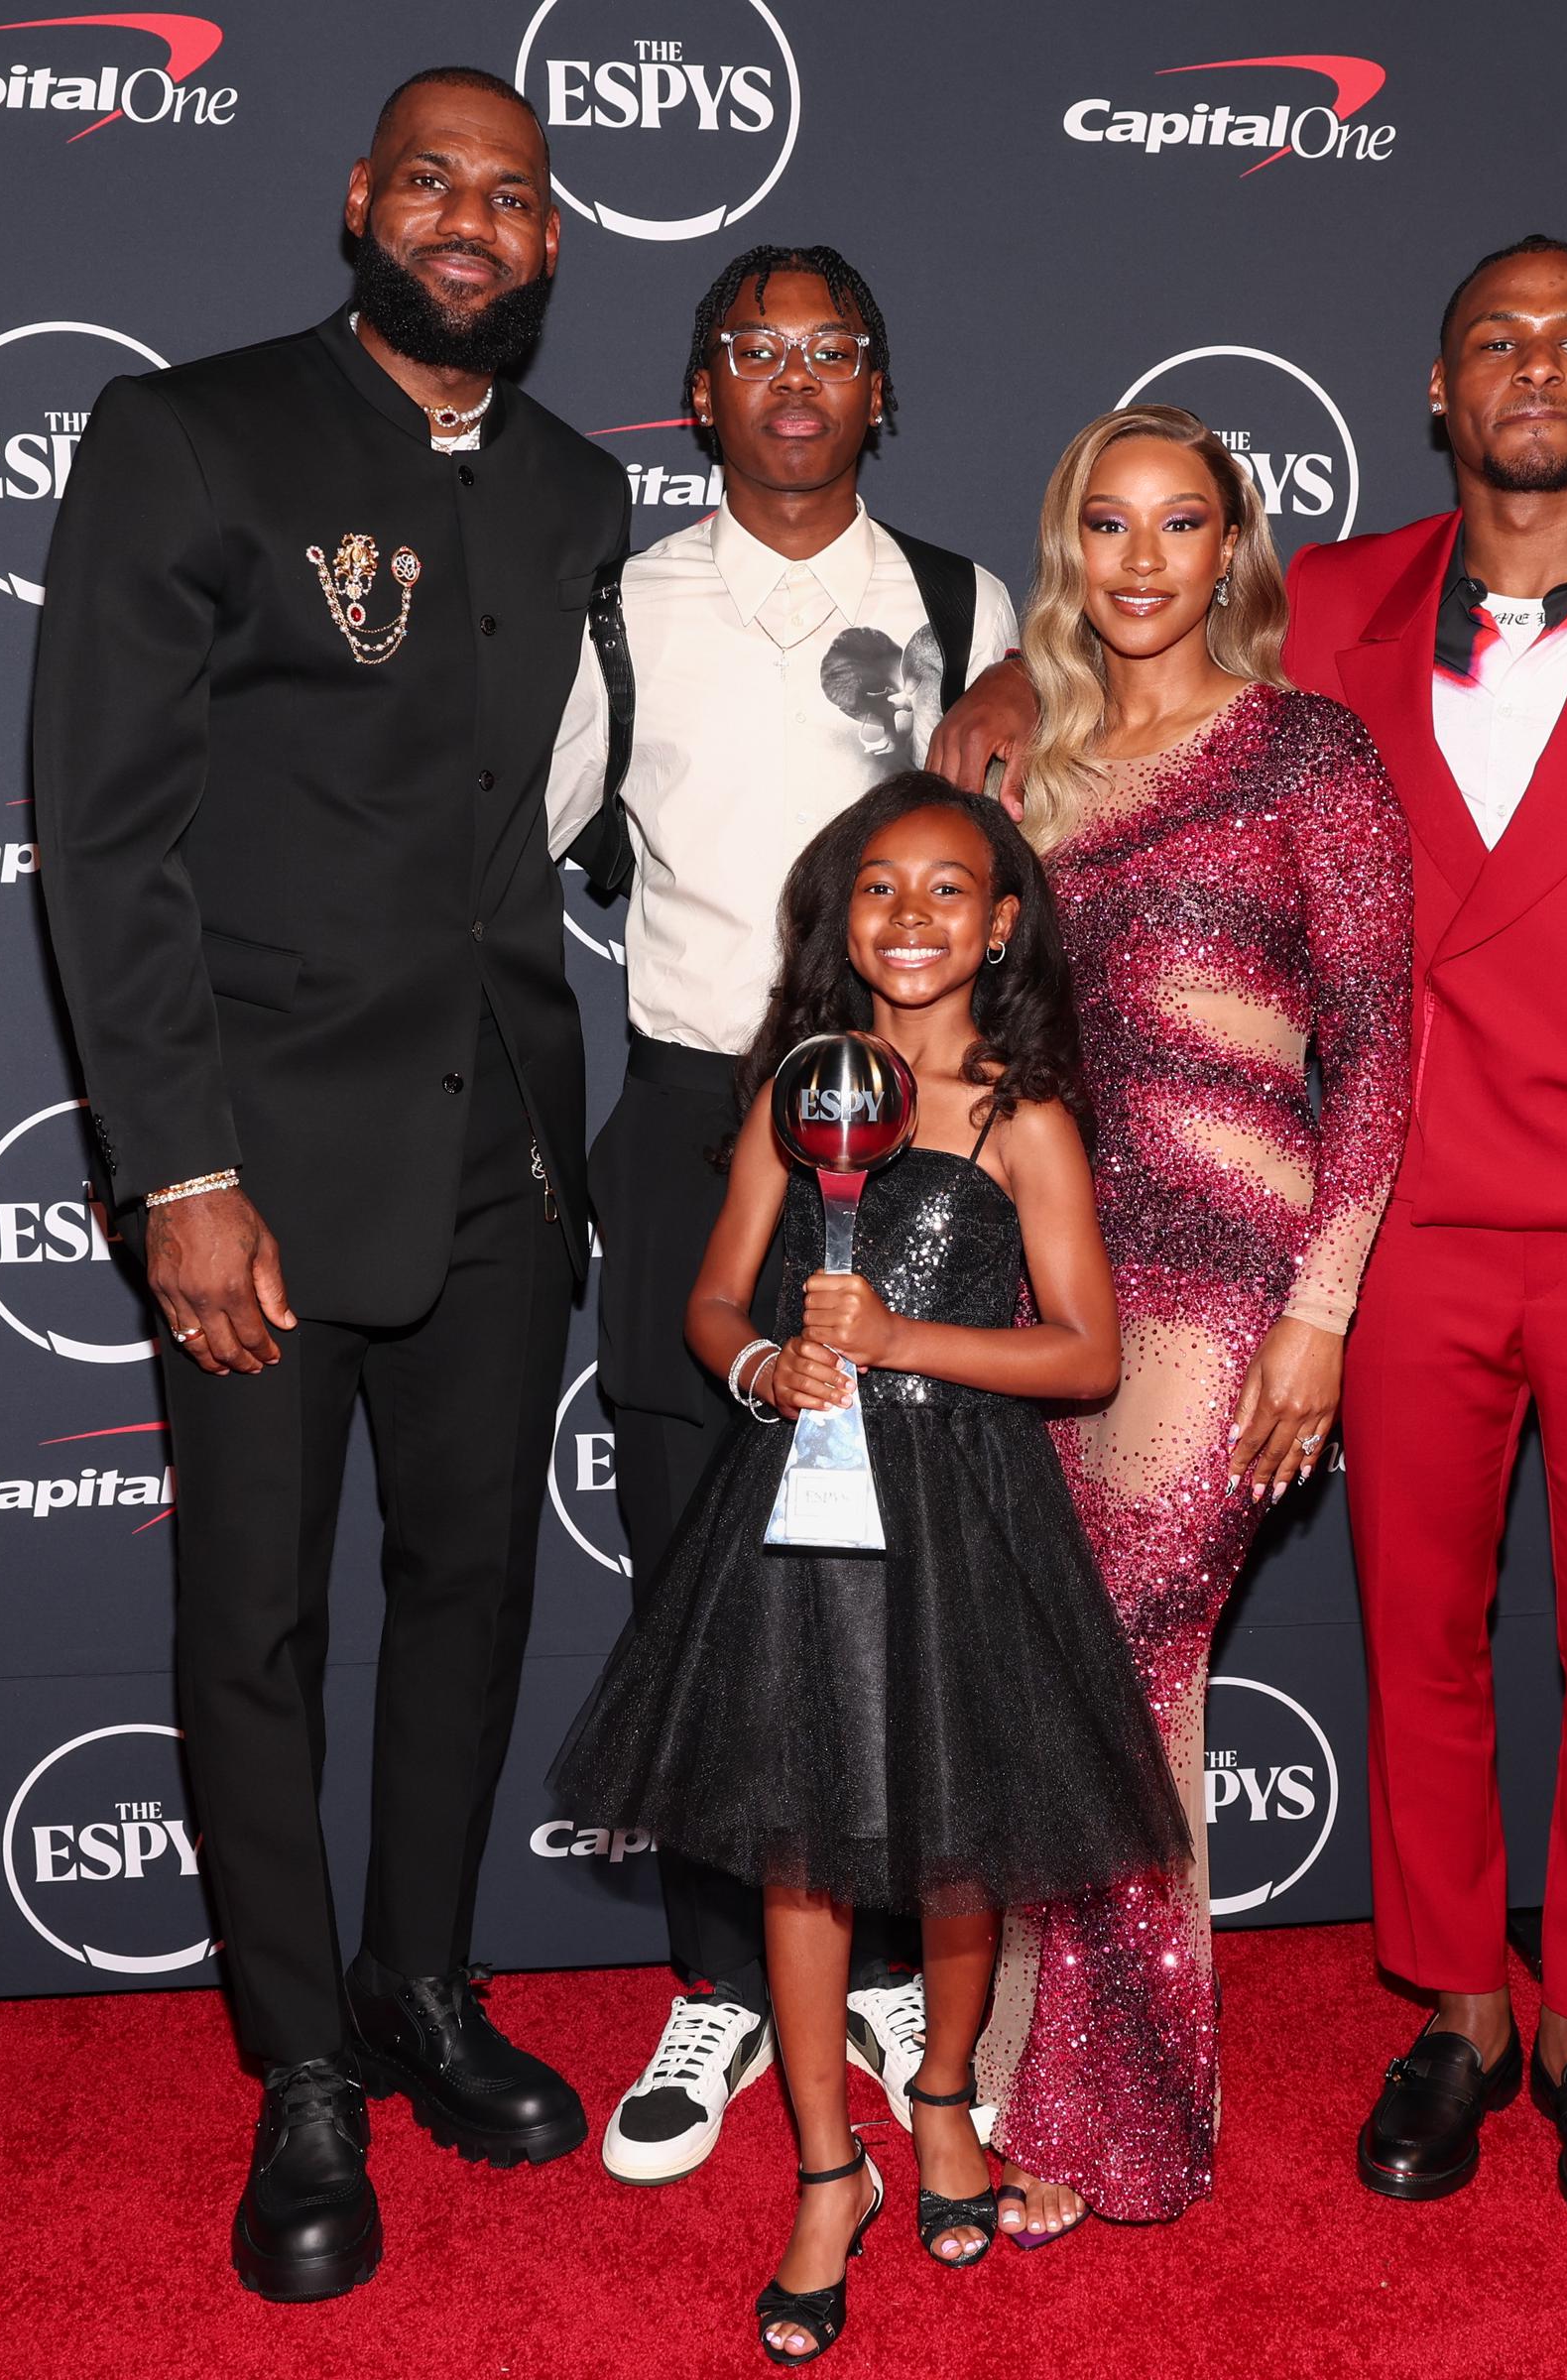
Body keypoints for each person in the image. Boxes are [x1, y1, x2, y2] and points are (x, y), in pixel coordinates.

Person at [946, 235, 1567, 2238]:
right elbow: (1144, 651)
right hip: (1404, 1220)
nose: (1533, 369)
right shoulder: (1338, 600)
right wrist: (1015, 673)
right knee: (1413, 1644)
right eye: (1492, 344)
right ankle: (1454, 2012)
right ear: (1441, 395)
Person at [33, 67, 634, 2301]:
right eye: (435, 187)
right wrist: (175, 1168)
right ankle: (298, 2064)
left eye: (514, 197)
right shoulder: (189, 437)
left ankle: (418, 1983)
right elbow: (101, 841)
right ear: (361, 205)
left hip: (497, 1151)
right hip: (259, 1168)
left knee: (468, 1604)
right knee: (259, 1628)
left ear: (553, 243)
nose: (472, 224)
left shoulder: (578, 492)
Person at [552, 774, 1189, 2361]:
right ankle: (826, 2175)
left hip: (965, 1510)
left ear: (1004, 921)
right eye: (878, 891)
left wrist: (905, 1342)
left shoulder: (1020, 1110)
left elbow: (1089, 1355)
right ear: (840, 918)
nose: (911, 921)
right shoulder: (796, 1088)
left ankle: (945, 2099)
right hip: (799, 1518)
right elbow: (708, 1304)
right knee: (802, 1850)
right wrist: (765, 1365)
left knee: (965, 1840)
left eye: (948, 891)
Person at [542, 246, 1020, 2184]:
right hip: (688, 1128)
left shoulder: (963, 600)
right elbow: (528, 851)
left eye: (835, 350)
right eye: (761, 350)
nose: (799, 379)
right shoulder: (624, 603)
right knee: (692, 1573)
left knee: (899, 1581)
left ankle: (895, 1961)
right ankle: (723, 1981)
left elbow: (1020, 879)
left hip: (905, 1150)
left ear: (881, 390)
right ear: (701, 391)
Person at [974, 408, 1412, 2234]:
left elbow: (1382, 1049)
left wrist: (1323, 1311)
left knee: (1119, 1657)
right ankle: (1011, 2067)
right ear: (1067, 546)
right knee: (1047, 1667)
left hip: (1230, 1276)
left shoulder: (1309, 749)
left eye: (1180, 525)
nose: (1140, 560)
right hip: (1041, 1266)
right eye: (1106, 525)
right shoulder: (1025, 767)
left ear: (1231, 548)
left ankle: (1120, 2125)